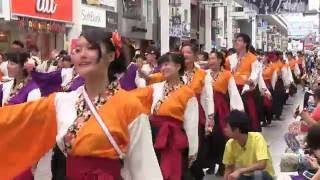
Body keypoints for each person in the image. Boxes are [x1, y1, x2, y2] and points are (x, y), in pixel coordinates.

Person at [0, 29, 163, 180]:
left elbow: (145, 170)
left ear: (111, 55)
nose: (81, 55)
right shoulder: (62, 101)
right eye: (77, 50)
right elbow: (14, 118)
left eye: (90, 48)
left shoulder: (130, 107)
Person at [134, 53, 199, 179]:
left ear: (178, 66)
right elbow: (135, 96)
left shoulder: (188, 93)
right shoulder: (155, 87)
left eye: (166, 64)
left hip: (172, 137)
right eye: (161, 65)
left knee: (170, 171)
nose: (163, 68)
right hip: (152, 133)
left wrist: (192, 151)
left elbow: (191, 124)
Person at [0, 51, 47, 179]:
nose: (8, 66)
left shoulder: (33, 90)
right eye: (8, 62)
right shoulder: (6, 86)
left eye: (13, 63)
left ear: (23, 67)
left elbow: (35, 124)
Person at [206, 50, 244, 175]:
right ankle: (209, 164)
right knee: (207, 137)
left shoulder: (227, 75)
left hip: (221, 109)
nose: (210, 61)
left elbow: (233, 93)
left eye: (213, 58)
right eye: (209, 59)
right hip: (206, 107)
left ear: (220, 60)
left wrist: (237, 111)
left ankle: (223, 164)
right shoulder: (205, 74)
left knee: (221, 136)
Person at [223, 110, 275, 180]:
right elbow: (229, 168)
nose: (225, 129)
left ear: (237, 130)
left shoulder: (257, 138)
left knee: (258, 175)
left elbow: (262, 164)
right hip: (246, 176)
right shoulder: (230, 144)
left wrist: (240, 171)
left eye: (227, 127)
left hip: (264, 176)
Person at [224, 33, 261, 131]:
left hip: (244, 91)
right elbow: (225, 72)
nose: (236, 42)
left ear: (245, 44)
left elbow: (255, 72)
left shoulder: (252, 58)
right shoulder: (230, 58)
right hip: (231, 90)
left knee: (248, 113)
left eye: (239, 40)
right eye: (236, 40)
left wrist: (251, 80)